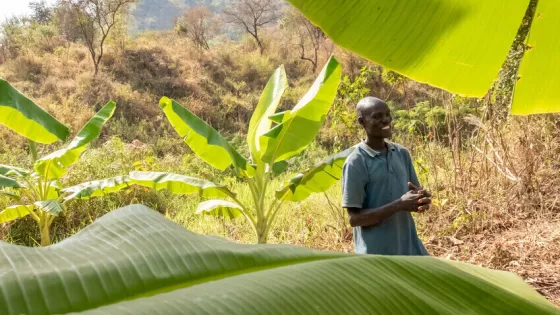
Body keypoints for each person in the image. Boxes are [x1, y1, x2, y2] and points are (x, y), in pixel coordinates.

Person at [342, 96, 431, 255]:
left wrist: (421, 200)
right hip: (377, 256)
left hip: (409, 247)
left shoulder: (401, 153)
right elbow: (354, 219)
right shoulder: (356, 162)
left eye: (387, 114)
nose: (386, 120)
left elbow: (414, 198)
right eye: (377, 116)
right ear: (361, 122)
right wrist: (399, 204)